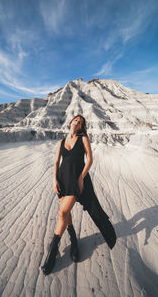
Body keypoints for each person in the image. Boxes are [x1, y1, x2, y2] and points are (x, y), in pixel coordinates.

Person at [41, 115, 116, 276]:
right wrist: (55, 180)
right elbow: (56, 162)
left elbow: (90, 159)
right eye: (75, 120)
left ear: (81, 126)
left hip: (76, 181)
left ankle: (52, 253)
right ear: (70, 122)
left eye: (80, 122)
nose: (77, 123)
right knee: (66, 213)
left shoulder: (83, 139)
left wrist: (81, 177)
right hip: (62, 180)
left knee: (62, 213)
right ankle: (74, 241)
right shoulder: (61, 142)